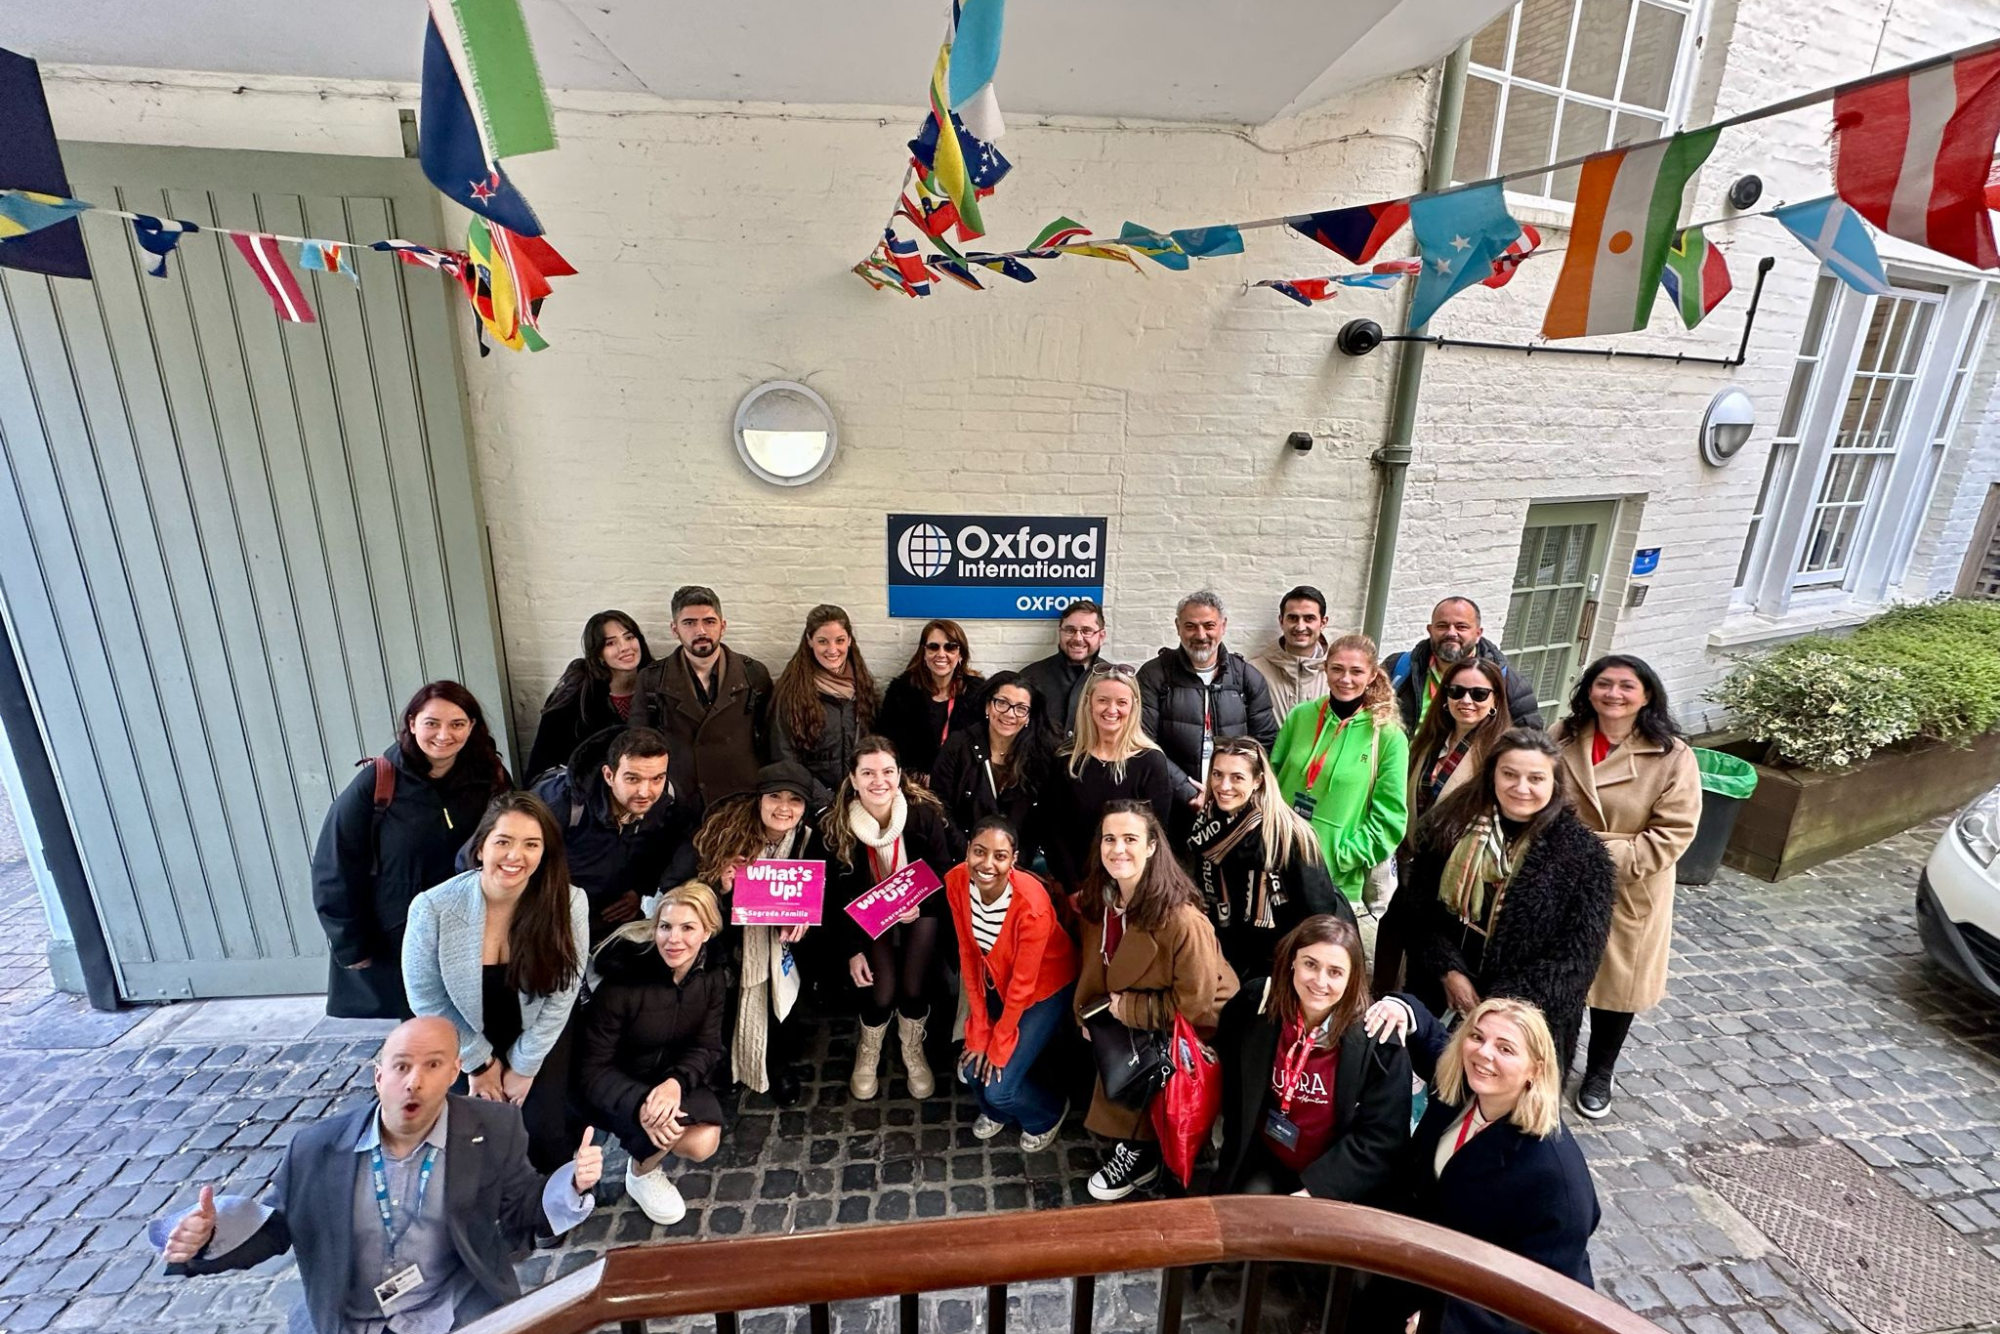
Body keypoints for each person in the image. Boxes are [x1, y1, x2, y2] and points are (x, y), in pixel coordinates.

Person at [150, 1016, 601, 1334]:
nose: (414, 1082)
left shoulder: (494, 1129)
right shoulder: (315, 1148)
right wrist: (206, 1238)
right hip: (349, 1320)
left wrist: (573, 1183)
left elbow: (522, 1208)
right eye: (402, 1066)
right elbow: (278, 1228)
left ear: (454, 1074)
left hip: (453, 1313)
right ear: (378, 1075)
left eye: (432, 1066)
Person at [1363, 998, 1600, 1334]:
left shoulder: (1555, 1176)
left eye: (1505, 1048)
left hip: (1480, 1302)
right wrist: (1404, 1009)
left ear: (1535, 1068)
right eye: (1477, 1037)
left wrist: (1450, 1321)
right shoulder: (1464, 1086)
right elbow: (1431, 1037)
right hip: (1427, 1262)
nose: (1484, 1053)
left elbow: (1544, 1293)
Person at [1397, 729, 1615, 1074]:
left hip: (1523, 1021)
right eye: (1509, 774)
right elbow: (1418, 913)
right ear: (1492, 774)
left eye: (1535, 778)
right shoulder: (1448, 827)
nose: (1521, 787)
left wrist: (1498, 1005)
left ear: (1554, 784)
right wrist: (1448, 971)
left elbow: (1576, 959)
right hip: (1443, 994)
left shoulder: (1584, 857)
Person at [403, 792, 589, 1173]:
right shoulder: (433, 907)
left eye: (531, 844)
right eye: (503, 841)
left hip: (537, 1030)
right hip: (461, 1033)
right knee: (470, 1131)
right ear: (482, 846)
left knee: (544, 1130)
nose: (515, 856)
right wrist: (479, 1061)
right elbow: (426, 995)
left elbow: (565, 992)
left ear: (545, 852)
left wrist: (524, 1064)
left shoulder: (569, 903)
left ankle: (547, 1205)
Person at [1554, 656, 1700, 1119]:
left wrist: (1593, 854)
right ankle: (1554, 1063)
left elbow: (1672, 834)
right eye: (1603, 684)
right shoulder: (1562, 736)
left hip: (1629, 888)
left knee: (1617, 989)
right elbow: (1537, 797)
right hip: (1560, 881)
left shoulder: (1672, 755)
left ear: (1647, 695)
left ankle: (1600, 1070)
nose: (1613, 694)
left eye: (1626, 686)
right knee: (1563, 976)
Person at [312, 681, 512, 1020]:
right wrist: (350, 943)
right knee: (426, 1029)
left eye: (457, 724)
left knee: (482, 1024)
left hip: (476, 928)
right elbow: (335, 864)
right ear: (412, 723)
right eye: (431, 723)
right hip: (404, 937)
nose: (444, 735)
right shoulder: (378, 782)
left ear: (472, 727)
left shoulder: (490, 776)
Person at [1075, 801, 1238, 1201]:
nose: (1118, 849)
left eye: (1131, 839)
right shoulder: (1103, 899)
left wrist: (1121, 1010)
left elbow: (1195, 1006)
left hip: (1193, 1022)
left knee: (1143, 1068)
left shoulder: (1183, 920)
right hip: (1133, 1002)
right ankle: (1138, 1144)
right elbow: (1098, 963)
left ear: (1151, 847)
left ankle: (1140, 1150)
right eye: (1109, 839)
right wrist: (1090, 1013)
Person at [1211, 915, 1410, 1200]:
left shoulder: (1379, 1041)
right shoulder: (1255, 1004)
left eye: (1335, 972)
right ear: (1292, 960)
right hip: (1265, 1157)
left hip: (1333, 1178)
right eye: (1310, 964)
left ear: (1352, 977)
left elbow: (1382, 1137)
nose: (1319, 981)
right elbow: (1232, 1077)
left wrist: (1315, 1190)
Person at [578, 882, 729, 1226]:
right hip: (618, 1085)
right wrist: (642, 1103)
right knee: (667, 1121)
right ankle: (643, 1146)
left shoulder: (713, 978)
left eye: (687, 928)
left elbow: (707, 1046)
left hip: (668, 1076)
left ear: (707, 932)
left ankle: (642, 1171)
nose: (673, 939)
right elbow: (592, 1069)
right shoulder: (622, 984)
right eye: (665, 927)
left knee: (704, 1139)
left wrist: (675, 1083)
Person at [826, 736, 961, 1101]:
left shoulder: (921, 815)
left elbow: (942, 870)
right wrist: (853, 950)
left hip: (920, 906)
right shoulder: (839, 826)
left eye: (887, 771)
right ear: (853, 779)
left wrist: (919, 903)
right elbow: (838, 896)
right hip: (868, 917)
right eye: (867, 773)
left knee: (914, 987)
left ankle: (912, 1046)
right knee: (882, 990)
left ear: (899, 775)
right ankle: (869, 1049)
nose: (878, 781)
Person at [1374, 657, 1515, 993]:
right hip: (1409, 871)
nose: (1467, 701)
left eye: (1479, 694)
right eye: (1457, 691)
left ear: (1495, 700)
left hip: (1452, 883)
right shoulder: (1431, 739)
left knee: (1428, 977)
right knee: (1389, 962)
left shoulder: (1502, 751)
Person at [692, 761, 829, 1104]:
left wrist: (806, 917)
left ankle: (778, 1065)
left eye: (794, 801)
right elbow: (687, 891)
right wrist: (720, 887)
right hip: (730, 941)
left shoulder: (810, 841)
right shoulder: (725, 835)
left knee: (782, 1001)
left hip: (782, 946)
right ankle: (730, 1063)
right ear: (759, 800)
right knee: (727, 997)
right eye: (775, 797)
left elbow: (822, 893)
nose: (784, 808)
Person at [946, 816, 1079, 1152]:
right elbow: (968, 955)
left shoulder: (1030, 905)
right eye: (979, 851)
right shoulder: (956, 881)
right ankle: (997, 1113)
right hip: (999, 983)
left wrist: (1000, 1040)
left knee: (998, 1085)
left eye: (1000, 856)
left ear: (1014, 859)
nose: (987, 864)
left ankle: (1046, 1114)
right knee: (974, 1069)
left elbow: (1024, 983)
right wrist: (978, 1028)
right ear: (967, 850)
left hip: (1045, 988)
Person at [1185, 736, 1354, 981]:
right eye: (1217, 774)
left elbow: (1318, 912)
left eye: (1237, 777)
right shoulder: (1207, 826)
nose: (1224, 786)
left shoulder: (1288, 834)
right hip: (1230, 948)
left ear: (1258, 781)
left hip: (1281, 957)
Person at [1270, 635, 1409, 906]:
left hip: (1336, 880)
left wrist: (1340, 857)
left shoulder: (1388, 736)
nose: (1345, 679)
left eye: (1356, 671)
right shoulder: (1301, 716)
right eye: (1337, 669)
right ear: (1325, 669)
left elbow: (1390, 820)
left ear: (1371, 676)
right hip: (1281, 864)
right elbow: (1272, 781)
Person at [528, 726, 700, 944]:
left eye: (657, 779)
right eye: (633, 779)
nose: (645, 792)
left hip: (615, 918)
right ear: (609, 775)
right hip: (555, 919)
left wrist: (641, 889)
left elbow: (669, 850)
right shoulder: (559, 804)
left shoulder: (669, 801)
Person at [1041, 665, 1183, 896]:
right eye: (1103, 700)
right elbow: (1054, 829)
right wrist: (1073, 887)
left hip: (1133, 888)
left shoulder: (1151, 761)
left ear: (1134, 706)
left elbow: (1156, 834)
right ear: (1089, 703)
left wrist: (1129, 890)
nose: (1112, 709)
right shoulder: (1067, 759)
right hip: (1079, 887)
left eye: (1121, 702)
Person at [630, 586, 774, 807]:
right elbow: (638, 746)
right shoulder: (652, 680)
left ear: (722, 626)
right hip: (680, 804)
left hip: (740, 802)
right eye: (689, 623)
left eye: (709, 621)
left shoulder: (754, 674)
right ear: (674, 629)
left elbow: (770, 741)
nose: (701, 631)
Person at [1137, 590, 1279, 808]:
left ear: (1223, 626)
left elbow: (1265, 742)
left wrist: (1232, 788)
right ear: (1178, 627)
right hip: (1171, 800)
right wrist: (1186, 790)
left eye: (1209, 625)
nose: (1200, 635)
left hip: (1232, 802)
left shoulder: (1246, 678)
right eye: (1191, 626)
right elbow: (1141, 740)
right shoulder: (1154, 675)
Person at [526, 610, 655, 780]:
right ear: (599, 654)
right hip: (589, 794)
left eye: (629, 637)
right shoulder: (574, 697)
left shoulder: (659, 686)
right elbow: (543, 762)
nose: (625, 647)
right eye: (610, 643)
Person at [772, 604, 880, 804]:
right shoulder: (790, 692)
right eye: (823, 641)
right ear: (809, 641)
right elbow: (784, 756)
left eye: (839, 640)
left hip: (860, 800)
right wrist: (823, 802)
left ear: (849, 640)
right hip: (812, 803)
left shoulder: (863, 687)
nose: (832, 650)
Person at [1387, 597, 1543, 734]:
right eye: (1442, 626)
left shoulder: (1509, 684)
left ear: (1478, 633)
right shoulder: (1398, 669)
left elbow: (1529, 743)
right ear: (1430, 630)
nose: (1451, 633)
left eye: (1461, 627)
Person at [930, 670, 1045, 850]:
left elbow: (1039, 821)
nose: (1009, 713)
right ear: (987, 706)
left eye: (1021, 708)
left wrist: (1012, 860)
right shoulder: (958, 745)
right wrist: (969, 852)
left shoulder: (1038, 755)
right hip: (961, 854)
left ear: (1029, 716)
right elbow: (939, 806)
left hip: (1016, 861)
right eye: (1002, 703)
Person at [876, 618, 985, 783]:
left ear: (961, 654)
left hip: (961, 787)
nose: (941, 654)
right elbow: (884, 747)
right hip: (913, 788)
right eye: (933, 647)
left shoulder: (977, 695)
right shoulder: (901, 694)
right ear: (923, 653)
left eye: (950, 647)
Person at [1017, 599, 1107, 747]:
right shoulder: (1031, 676)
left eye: (1086, 631)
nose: (1078, 638)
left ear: (1101, 636)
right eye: (1070, 630)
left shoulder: (1115, 679)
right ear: (1060, 632)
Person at [1247, 585, 1336, 718]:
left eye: (1309, 618)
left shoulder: (1337, 672)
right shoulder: (1255, 671)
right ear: (1281, 621)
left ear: (1323, 623)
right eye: (1293, 618)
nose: (1300, 627)